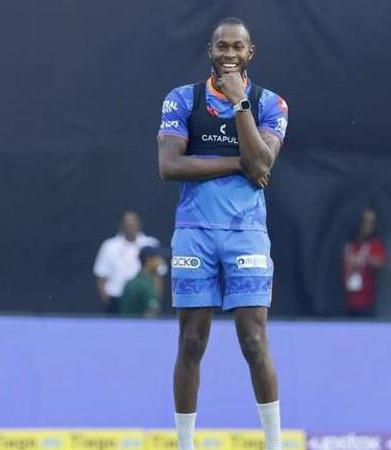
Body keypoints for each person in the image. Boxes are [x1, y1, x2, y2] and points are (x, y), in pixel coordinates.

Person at [157, 17, 288, 450]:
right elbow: (170, 166)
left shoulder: (270, 103)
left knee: (253, 340)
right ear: (210, 51)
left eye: (237, 47)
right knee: (192, 342)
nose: (229, 55)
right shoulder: (182, 99)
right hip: (194, 232)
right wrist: (239, 164)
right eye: (221, 47)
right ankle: (185, 444)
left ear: (251, 53)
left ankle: (273, 443)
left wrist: (240, 105)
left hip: (246, 233)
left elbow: (264, 165)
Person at [93, 211, 160, 314]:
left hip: (142, 300)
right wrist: (106, 298)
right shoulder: (109, 246)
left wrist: (154, 300)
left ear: (139, 224)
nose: (130, 226)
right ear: (121, 225)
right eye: (127, 224)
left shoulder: (150, 244)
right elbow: (101, 275)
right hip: (115, 299)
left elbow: (158, 274)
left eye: (133, 223)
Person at [341, 208, 387, 317]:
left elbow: (381, 263)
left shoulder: (375, 245)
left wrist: (365, 258)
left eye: (372, 223)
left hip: (366, 304)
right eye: (366, 221)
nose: (369, 226)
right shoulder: (347, 245)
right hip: (343, 301)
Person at [119, 246, 165, 317]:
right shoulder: (146, 285)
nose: (161, 262)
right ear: (149, 260)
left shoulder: (132, 282)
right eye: (158, 259)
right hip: (139, 326)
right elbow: (150, 314)